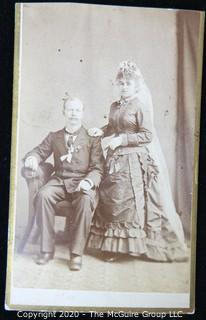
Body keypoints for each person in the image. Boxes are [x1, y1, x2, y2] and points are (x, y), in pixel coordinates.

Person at [87, 61, 187, 262]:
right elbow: (114, 125)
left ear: (136, 85)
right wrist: (102, 130)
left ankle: (129, 248)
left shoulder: (140, 106)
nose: (124, 86)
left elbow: (147, 135)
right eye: (121, 83)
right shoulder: (114, 106)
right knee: (112, 202)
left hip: (133, 160)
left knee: (128, 202)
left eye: (128, 83)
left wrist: (122, 140)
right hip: (114, 159)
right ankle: (112, 246)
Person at [24, 95, 104, 270]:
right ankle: (46, 250)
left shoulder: (92, 138)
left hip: (83, 182)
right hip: (59, 181)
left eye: (77, 110)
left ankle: (76, 254)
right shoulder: (55, 136)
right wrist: (32, 158)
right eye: (70, 110)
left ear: (82, 113)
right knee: (43, 195)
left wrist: (89, 182)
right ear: (64, 112)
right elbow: (39, 151)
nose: (73, 114)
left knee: (85, 200)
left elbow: (98, 167)